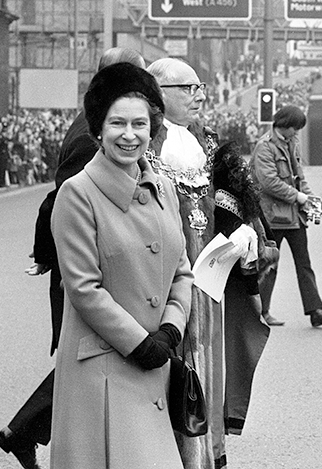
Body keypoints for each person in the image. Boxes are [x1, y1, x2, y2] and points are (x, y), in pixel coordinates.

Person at [0, 47, 146, 469]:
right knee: (94, 352)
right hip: (91, 264)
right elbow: (60, 200)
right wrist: (48, 254)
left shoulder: (102, 122)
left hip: (104, 260)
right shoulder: (91, 134)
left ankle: (24, 432)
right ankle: (26, 432)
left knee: (96, 352)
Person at [49, 62, 192, 468]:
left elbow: (182, 269)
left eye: (139, 124)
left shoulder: (164, 188)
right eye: (117, 123)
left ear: (153, 129)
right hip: (103, 371)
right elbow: (83, 288)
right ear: (97, 129)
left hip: (156, 364)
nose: (129, 135)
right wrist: (139, 342)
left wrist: (170, 328)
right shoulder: (78, 194)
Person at [144, 57, 226, 469]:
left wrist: (244, 229)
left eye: (199, 89)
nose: (197, 97)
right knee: (176, 360)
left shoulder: (203, 139)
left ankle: (203, 453)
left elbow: (223, 195)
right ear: (159, 93)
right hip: (169, 271)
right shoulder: (147, 141)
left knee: (206, 357)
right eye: (187, 89)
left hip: (209, 269)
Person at [251, 105, 322, 328]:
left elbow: (299, 177)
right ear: (285, 126)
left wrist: (312, 200)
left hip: (293, 216)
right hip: (272, 217)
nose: (298, 133)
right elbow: (269, 182)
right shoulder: (265, 147)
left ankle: (316, 310)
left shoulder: (291, 143)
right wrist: (299, 197)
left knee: (304, 263)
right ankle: (261, 312)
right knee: (269, 266)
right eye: (295, 129)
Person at [211, 142, 275, 435]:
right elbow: (245, 258)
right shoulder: (224, 202)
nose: (245, 172)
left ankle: (228, 415)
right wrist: (254, 295)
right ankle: (225, 415)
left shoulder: (239, 199)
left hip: (232, 283)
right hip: (225, 285)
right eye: (238, 168)